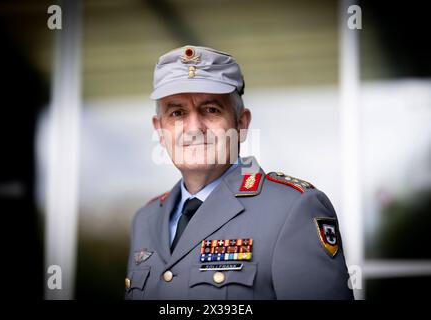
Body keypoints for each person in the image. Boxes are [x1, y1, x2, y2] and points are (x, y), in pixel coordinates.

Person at [125, 45, 354, 300]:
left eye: (211, 110)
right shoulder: (145, 220)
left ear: (241, 124)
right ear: (159, 130)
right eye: (177, 113)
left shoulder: (293, 208)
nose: (194, 128)